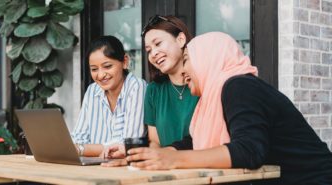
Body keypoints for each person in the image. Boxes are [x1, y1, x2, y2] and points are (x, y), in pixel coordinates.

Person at [125, 32, 332, 185]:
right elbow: (193, 143)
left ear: (210, 59)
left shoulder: (240, 86)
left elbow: (249, 151)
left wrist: (174, 160)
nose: (184, 70)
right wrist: (150, 158)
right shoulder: (215, 96)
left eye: (187, 60)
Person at [102, 15, 199, 161]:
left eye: (158, 43)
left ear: (180, 39)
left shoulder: (204, 83)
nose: (153, 54)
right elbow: (155, 143)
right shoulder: (154, 90)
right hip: (166, 172)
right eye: (148, 50)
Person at [71, 35, 147, 157]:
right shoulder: (92, 91)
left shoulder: (137, 87)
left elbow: (129, 146)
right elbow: (78, 138)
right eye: (94, 69)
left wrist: (81, 149)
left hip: (124, 169)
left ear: (125, 62)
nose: (100, 75)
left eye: (107, 66)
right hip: (94, 166)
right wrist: (79, 147)